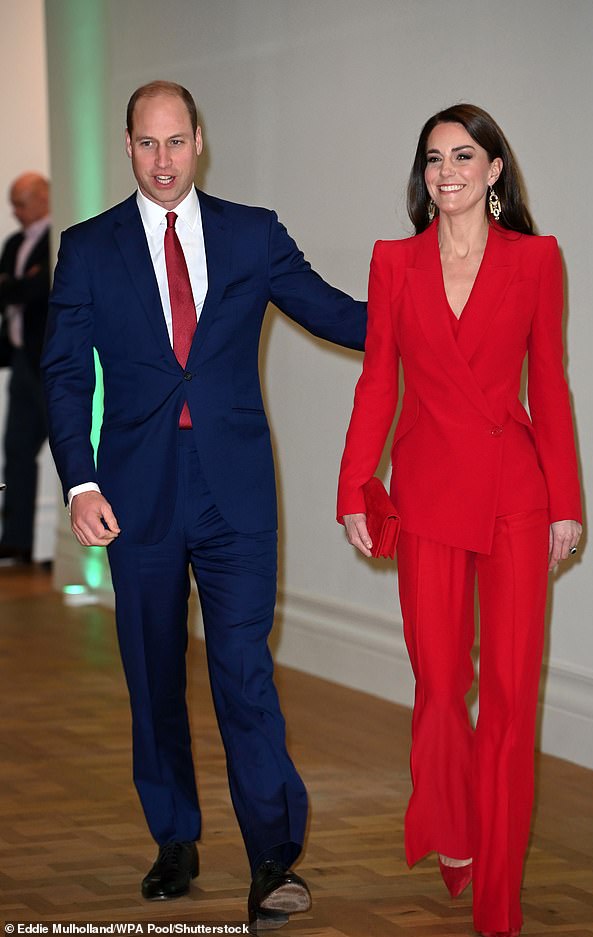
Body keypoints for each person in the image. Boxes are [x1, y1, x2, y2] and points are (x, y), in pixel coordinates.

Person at [42, 81, 366, 929]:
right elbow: (66, 372)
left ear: (200, 141)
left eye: (176, 142)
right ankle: (176, 837)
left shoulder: (252, 233)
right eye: (147, 145)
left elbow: (333, 312)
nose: (163, 161)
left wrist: (437, 303)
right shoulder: (87, 248)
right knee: (154, 678)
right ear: (127, 147)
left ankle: (270, 855)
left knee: (243, 671)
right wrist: (79, 482)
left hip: (235, 491)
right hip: (134, 495)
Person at [337, 104, 582, 937]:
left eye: (464, 156)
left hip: (517, 496)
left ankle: (498, 901)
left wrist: (568, 503)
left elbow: (548, 384)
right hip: (429, 496)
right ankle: (450, 820)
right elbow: (378, 381)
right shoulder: (393, 262)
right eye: (435, 158)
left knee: (512, 699)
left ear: (494, 171)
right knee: (441, 686)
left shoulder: (536, 260)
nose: (448, 171)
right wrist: (353, 484)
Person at [0, 173, 50, 563]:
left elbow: (40, 291)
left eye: (20, 201)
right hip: (19, 359)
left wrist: (17, 285)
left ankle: (84, 531)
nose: (15, 211)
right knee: (15, 450)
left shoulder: (58, 237)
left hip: (49, 360)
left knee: (72, 445)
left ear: (43, 197)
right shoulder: (14, 243)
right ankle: (16, 541)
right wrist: (20, 284)